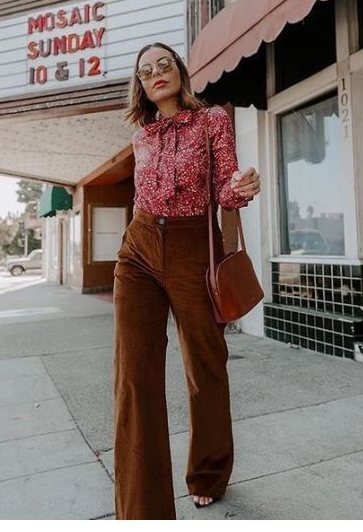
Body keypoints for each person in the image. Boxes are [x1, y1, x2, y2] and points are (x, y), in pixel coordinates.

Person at [112, 42, 261, 519]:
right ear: (140, 85)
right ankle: (142, 511)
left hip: (192, 246)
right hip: (137, 250)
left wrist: (240, 188)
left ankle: (209, 471)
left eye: (164, 64)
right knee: (134, 377)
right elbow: (141, 197)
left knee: (205, 366)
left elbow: (224, 187)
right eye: (146, 70)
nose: (156, 73)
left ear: (179, 71)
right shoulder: (142, 135)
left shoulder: (212, 119)